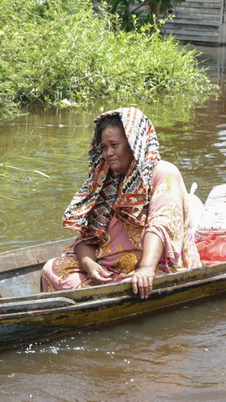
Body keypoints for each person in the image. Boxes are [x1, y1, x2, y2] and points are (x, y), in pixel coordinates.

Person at [41, 107, 199, 299]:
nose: (108, 153)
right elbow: (87, 238)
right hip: (108, 267)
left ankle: (105, 293)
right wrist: (90, 265)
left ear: (134, 143)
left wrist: (146, 268)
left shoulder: (163, 173)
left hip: (152, 265)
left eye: (114, 145)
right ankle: (98, 291)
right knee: (53, 269)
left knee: (133, 285)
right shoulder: (107, 180)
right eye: (105, 147)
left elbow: (160, 226)